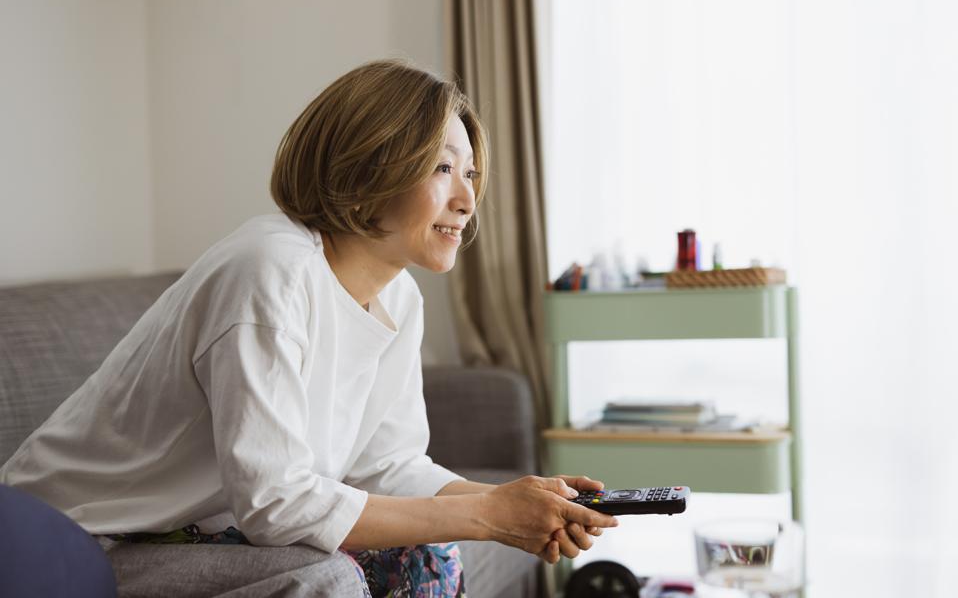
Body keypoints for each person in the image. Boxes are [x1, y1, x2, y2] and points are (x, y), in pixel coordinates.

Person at [0, 59, 617, 596]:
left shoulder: (399, 299)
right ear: (369, 165)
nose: (466, 199)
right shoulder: (268, 271)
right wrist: (486, 517)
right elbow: (275, 504)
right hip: (79, 537)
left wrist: (513, 498)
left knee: (427, 553)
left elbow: (389, 465)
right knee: (328, 580)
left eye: (472, 174)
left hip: (191, 532)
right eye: (442, 168)